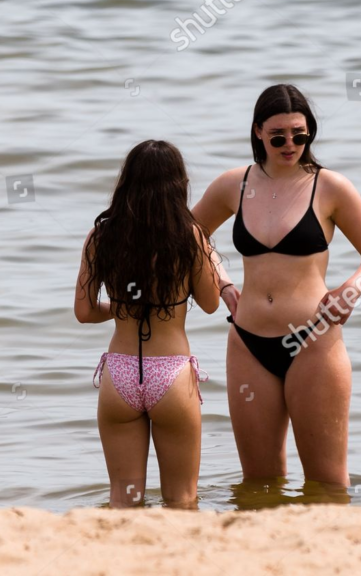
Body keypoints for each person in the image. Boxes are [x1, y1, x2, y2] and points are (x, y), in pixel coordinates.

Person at [192, 84, 361, 489]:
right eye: (278, 136)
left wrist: (351, 289)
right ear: (258, 132)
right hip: (247, 343)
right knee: (259, 483)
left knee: (328, 482)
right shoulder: (233, 184)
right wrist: (223, 283)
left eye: (299, 136)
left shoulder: (330, 187)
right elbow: (189, 234)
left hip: (313, 341)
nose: (290, 145)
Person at [74, 139, 233, 509]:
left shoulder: (102, 236)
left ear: (126, 182)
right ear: (178, 185)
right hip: (171, 375)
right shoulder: (189, 236)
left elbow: (84, 312)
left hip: (120, 373)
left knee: (123, 499)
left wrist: (123, 307)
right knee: (182, 498)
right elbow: (210, 303)